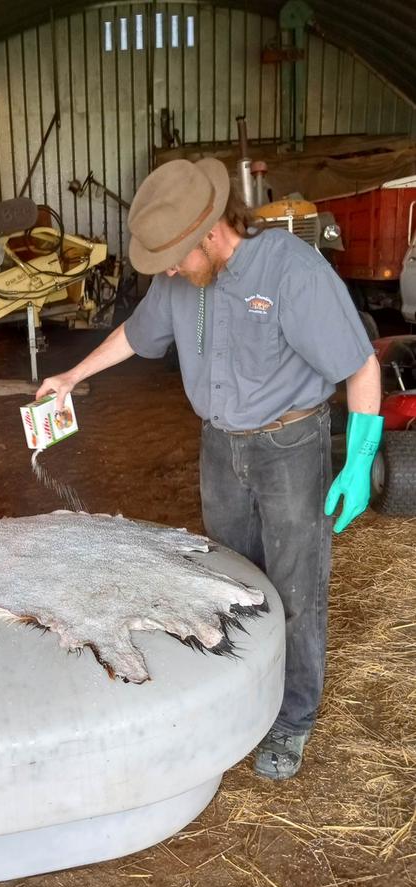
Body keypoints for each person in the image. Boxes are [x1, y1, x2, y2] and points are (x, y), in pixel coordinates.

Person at [36, 158, 383, 780]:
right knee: (230, 577)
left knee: (298, 589)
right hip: (220, 448)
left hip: (289, 447)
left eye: (174, 257)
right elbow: (137, 335)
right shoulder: (179, 281)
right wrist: (71, 376)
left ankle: (294, 717)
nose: (167, 271)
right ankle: (242, 697)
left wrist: (357, 460)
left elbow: (360, 365)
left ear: (211, 234)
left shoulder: (291, 272)